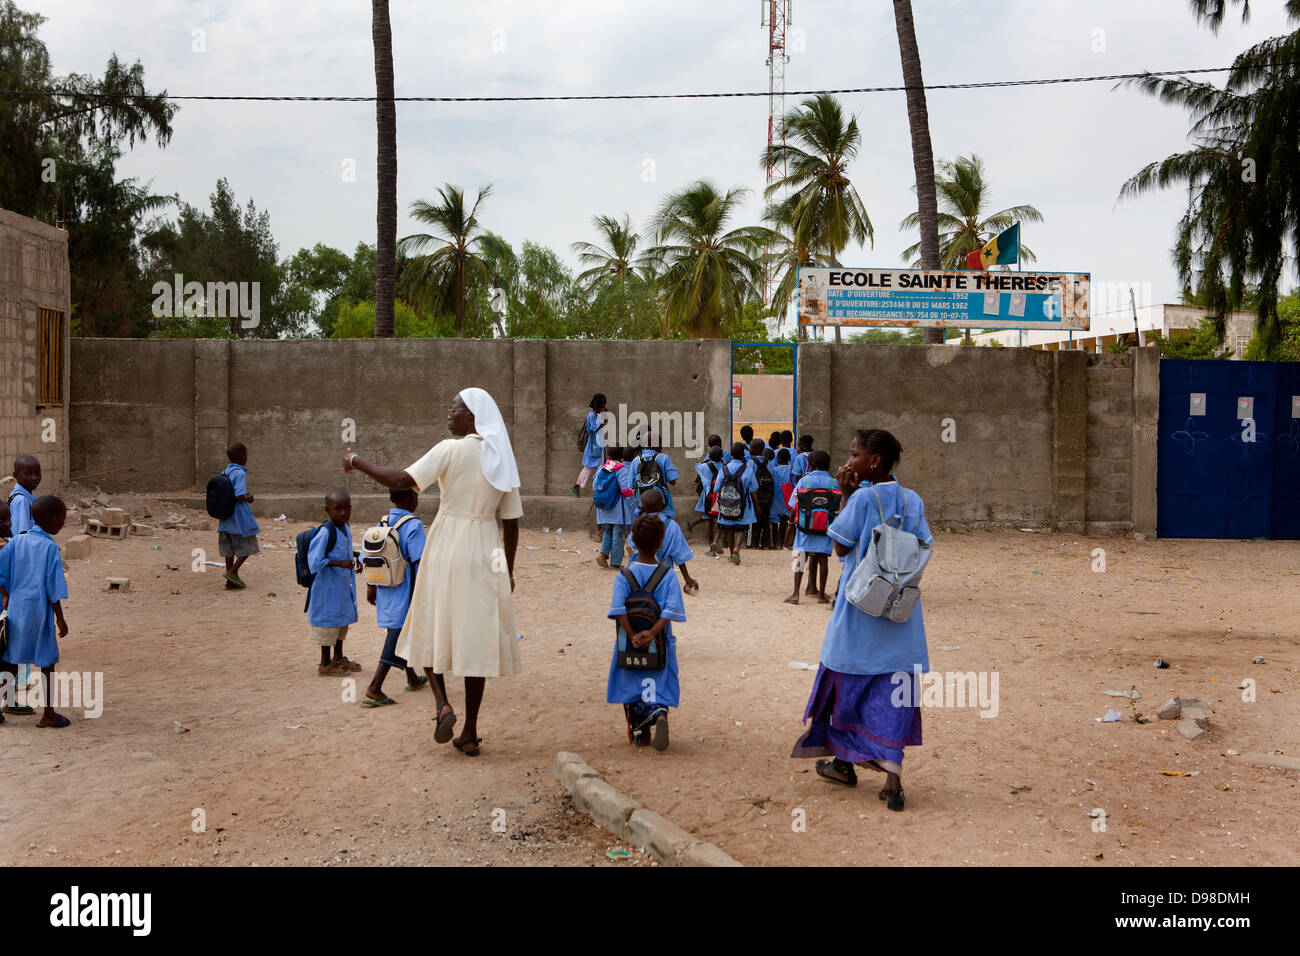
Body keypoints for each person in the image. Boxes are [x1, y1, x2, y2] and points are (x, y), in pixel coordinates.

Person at [344, 388, 521, 758]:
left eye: (454, 410)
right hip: (485, 550)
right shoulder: (503, 459)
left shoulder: (450, 449)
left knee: (425, 622)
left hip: (446, 545)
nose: (449, 415)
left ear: (471, 416)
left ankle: (442, 703)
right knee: (476, 641)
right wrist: (507, 570)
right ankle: (470, 732)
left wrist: (357, 461)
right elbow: (512, 522)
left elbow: (401, 481)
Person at [791, 429, 932, 812]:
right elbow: (924, 546)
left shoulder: (863, 498)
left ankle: (843, 763)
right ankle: (892, 779)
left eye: (854, 455)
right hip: (900, 614)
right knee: (894, 694)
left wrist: (848, 495)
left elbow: (839, 545)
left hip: (860, 611)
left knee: (846, 684)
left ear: (874, 462)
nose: (847, 462)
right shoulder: (912, 499)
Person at [607, 514, 685, 751]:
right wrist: (651, 633)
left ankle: (641, 731)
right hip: (658, 640)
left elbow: (619, 609)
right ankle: (659, 712)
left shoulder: (624, 576)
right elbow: (671, 610)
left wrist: (632, 635)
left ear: (632, 541)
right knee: (658, 677)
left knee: (631, 681)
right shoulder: (668, 575)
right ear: (660, 543)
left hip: (628, 641)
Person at [0, 496, 70, 728]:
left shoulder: (16, 542)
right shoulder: (50, 547)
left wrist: (5, 595)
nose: (62, 524)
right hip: (39, 610)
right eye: (62, 520)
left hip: (16, 609)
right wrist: (60, 618)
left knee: (10, 658)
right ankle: (48, 714)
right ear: (52, 521)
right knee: (47, 661)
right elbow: (53, 588)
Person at [363, 488, 429, 706]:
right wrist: (424, 591)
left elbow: (370, 556)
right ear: (412, 499)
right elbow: (419, 560)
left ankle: (411, 676)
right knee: (397, 632)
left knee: (401, 630)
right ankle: (375, 686)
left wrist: (370, 585)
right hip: (405, 588)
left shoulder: (383, 522)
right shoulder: (413, 525)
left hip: (385, 585)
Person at [307, 489, 362, 675]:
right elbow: (314, 562)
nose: (343, 513)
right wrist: (340, 562)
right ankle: (325, 663)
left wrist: (356, 557)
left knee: (341, 622)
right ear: (328, 510)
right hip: (327, 590)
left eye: (347, 508)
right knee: (328, 626)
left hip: (341, 588)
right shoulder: (325, 532)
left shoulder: (345, 528)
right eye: (338, 509)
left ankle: (338, 657)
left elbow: (342, 550)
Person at [784, 450, 837, 604]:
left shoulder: (804, 482)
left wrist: (789, 524)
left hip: (804, 526)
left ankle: (795, 594)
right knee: (823, 560)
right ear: (828, 465)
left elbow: (794, 504)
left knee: (801, 557)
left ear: (811, 465)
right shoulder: (834, 483)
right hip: (826, 527)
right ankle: (820, 595)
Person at [638, 488, 698, 595]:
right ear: (662, 506)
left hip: (641, 574)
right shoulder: (672, 526)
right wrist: (686, 577)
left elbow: (634, 548)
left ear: (643, 507)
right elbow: (679, 554)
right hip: (664, 574)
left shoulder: (639, 524)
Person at [217, 442, 260, 590]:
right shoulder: (240, 473)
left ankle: (230, 582)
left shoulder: (225, 472)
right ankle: (232, 571)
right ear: (242, 456)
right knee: (248, 547)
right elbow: (239, 494)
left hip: (225, 519)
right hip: (238, 520)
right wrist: (249, 498)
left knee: (228, 550)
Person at [710, 441, 758, 565]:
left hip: (725, 505)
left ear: (731, 454)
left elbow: (716, 489)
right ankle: (737, 548)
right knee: (742, 528)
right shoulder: (748, 469)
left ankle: (732, 553)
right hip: (743, 504)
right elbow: (753, 489)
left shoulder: (723, 468)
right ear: (743, 455)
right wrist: (757, 505)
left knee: (729, 529)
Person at [594, 447, 634, 570]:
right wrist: (634, 494)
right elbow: (625, 490)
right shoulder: (621, 470)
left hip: (604, 508)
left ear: (608, 455)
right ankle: (615, 563)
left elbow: (594, 487)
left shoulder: (601, 468)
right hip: (618, 510)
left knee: (607, 532)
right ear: (621, 456)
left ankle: (603, 554)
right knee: (618, 535)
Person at [630, 434, 679, 521]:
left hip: (643, 507)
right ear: (658, 444)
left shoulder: (635, 461)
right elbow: (673, 481)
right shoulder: (664, 458)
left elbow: (631, 485)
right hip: (662, 507)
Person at [686, 445, 723, 546]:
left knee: (708, 520)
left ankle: (711, 546)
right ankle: (717, 541)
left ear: (709, 457)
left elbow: (697, 466)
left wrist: (707, 460)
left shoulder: (704, 467)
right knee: (721, 519)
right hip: (722, 496)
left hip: (708, 497)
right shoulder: (725, 466)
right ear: (721, 457)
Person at [572, 393, 607, 497]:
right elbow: (593, 428)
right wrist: (602, 423)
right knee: (588, 467)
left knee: (601, 467)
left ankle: (597, 488)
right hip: (593, 445)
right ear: (599, 404)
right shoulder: (591, 415)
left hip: (600, 445)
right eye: (603, 404)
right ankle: (577, 485)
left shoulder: (598, 414)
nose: (604, 406)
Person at [748, 439, 776, 550]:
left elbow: (749, 479)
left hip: (755, 496)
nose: (749, 449)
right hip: (767, 496)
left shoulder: (751, 462)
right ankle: (766, 544)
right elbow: (773, 477)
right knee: (766, 519)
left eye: (751, 447)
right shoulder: (769, 463)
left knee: (754, 520)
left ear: (757, 449)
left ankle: (753, 543)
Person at [7, 455, 40, 535]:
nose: (34, 478)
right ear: (16, 475)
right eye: (28, 474)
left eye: (37, 473)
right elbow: (20, 535)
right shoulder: (21, 501)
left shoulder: (26, 498)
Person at [771, 447, 792, 547]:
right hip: (788, 496)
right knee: (786, 519)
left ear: (778, 459)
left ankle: (776, 543)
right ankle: (784, 541)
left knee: (775, 521)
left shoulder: (774, 470)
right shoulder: (792, 469)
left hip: (776, 496)